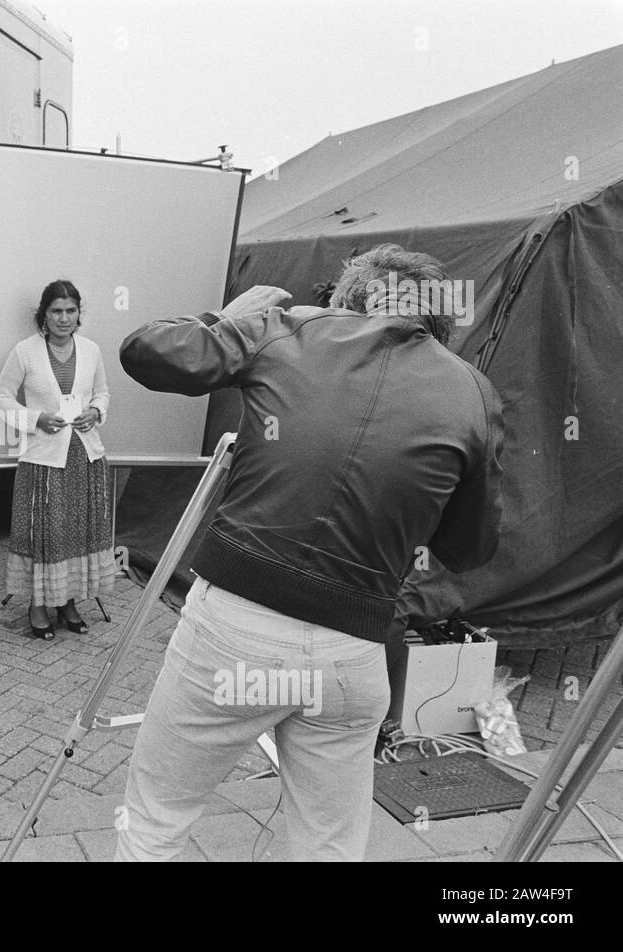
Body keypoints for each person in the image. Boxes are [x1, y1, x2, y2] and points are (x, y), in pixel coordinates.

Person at [114, 244, 504, 861]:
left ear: (346, 300)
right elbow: (469, 547)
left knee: (157, 819)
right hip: (355, 652)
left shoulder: (286, 329)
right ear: (438, 320)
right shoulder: (472, 393)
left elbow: (147, 352)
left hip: (234, 632)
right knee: (328, 846)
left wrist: (227, 319)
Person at [0, 280, 115, 640]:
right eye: (56, 311)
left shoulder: (91, 350)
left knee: (78, 534)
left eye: (71, 311)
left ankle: (68, 602)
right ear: (43, 315)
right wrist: (36, 419)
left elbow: (103, 392)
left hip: (85, 458)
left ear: (79, 313)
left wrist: (96, 410)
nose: (64, 318)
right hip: (44, 461)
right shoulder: (25, 352)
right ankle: (38, 605)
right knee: (47, 535)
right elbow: (0, 399)